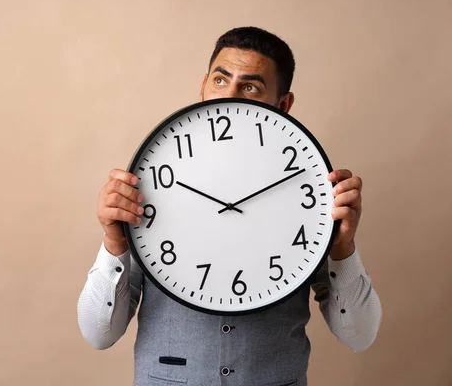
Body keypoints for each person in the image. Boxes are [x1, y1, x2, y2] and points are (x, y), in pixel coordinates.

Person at [78, 26, 382, 386]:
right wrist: (113, 244)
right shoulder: (153, 179)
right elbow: (99, 334)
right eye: (221, 81)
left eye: (250, 87)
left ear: (282, 105)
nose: (230, 95)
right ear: (203, 86)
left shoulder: (312, 194)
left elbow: (359, 336)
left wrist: (343, 248)